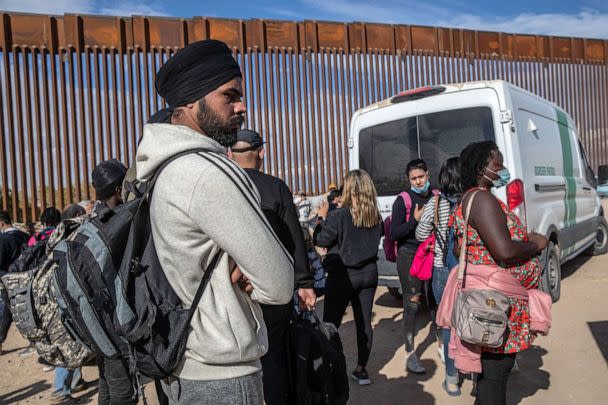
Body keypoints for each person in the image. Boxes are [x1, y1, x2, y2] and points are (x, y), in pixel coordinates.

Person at [135, 39, 294, 404]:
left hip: (183, 364)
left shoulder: (161, 167)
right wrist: (252, 273)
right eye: (230, 95)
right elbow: (280, 284)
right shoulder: (206, 172)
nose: (242, 107)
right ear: (191, 101)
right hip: (222, 376)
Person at [455, 141, 547, 405]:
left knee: (493, 375)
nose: (503, 169)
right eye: (498, 165)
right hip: (494, 302)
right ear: (482, 168)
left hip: (495, 296)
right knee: (495, 373)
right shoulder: (482, 199)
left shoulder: (476, 197)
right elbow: (504, 251)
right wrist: (536, 244)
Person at [229, 128, 316, 404]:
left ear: (231, 154)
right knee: (274, 353)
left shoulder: (225, 186)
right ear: (261, 152)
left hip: (232, 290)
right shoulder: (276, 187)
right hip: (272, 289)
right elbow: (295, 240)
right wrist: (304, 283)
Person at [314, 169, 383, 386]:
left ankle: (331, 370)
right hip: (369, 274)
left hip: (343, 276)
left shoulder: (338, 215)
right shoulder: (375, 216)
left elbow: (322, 240)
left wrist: (320, 218)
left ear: (350, 189)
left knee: (330, 324)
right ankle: (362, 370)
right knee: (364, 323)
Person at [91, 159, 138, 405]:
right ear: (119, 189)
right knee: (123, 393)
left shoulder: (93, 221)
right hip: (116, 324)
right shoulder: (121, 221)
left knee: (106, 383)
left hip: (95, 322)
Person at [415, 157, 462, 396]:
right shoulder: (471, 200)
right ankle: (474, 371)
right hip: (469, 270)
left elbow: (421, 233)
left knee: (448, 324)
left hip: (442, 270)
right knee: (472, 320)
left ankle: (452, 380)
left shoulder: (435, 203)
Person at [390, 158, 436, 374]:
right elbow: (394, 233)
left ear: (428, 174)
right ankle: (410, 353)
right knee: (413, 304)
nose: (418, 181)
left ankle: (443, 347)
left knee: (436, 299)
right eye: (413, 178)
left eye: (421, 176)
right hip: (409, 255)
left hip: (433, 252)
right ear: (408, 180)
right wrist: (414, 221)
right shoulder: (404, 200)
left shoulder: (437, 196)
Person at [0, 210, 29, 354]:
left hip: (9, 280)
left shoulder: (4, 239)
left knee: (7, 310)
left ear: (1, 223)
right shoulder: (24, 235)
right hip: (27, 277)